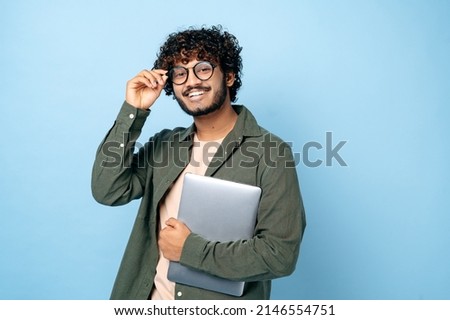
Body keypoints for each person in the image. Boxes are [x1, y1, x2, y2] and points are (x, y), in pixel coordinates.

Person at [91, 25, 306, 300]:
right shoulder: (165, 145)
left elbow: (280, 256)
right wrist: (133, 111)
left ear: (228, 76)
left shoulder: (271, 152)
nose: (191, 81)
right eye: (180, 73)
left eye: (203, 68)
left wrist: (190, 250)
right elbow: (108, 189)